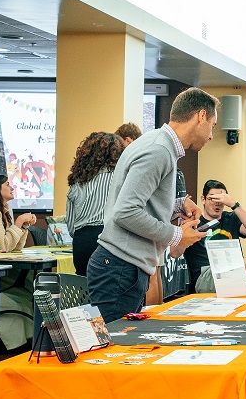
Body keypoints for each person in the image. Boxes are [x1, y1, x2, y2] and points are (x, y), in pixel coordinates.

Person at [88, 89, 216, 322]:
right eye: (212, 126)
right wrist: (176, 235)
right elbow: (125, 212)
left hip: (122, 266)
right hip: (120, 267)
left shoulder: (158, 143)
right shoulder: (159, 150)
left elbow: (141, 201)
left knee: (125, 341)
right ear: (201, 116)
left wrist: (178, 205)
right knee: (118, 343)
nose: (211, 136)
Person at [183, 179, 246, 286]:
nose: (217, 203)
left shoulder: (230, 218)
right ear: (203, 199)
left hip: (232, 272)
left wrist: (234, 205)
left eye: (221, 199)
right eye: (212, 198)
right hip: (206, 276)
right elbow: (175, 253)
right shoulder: (195, 221)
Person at [64, 132, 122, 275]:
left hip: (81, 245)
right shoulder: (120, 178)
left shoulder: (77, 182)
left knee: (84, 285)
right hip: (108, 242)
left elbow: (71, 227)